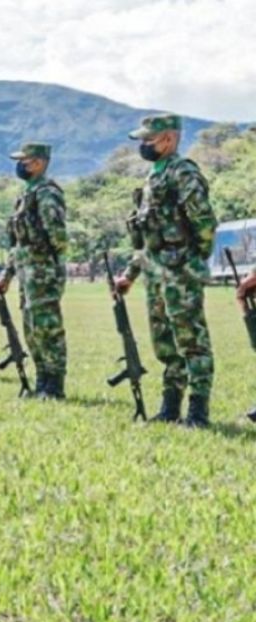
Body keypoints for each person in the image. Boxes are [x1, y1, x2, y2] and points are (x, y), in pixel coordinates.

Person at [113, 114, 218, 428]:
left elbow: (204, 222)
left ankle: (198, 412)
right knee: (165, 343)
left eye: (149, 139)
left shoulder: (183, 172)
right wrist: (130, 274)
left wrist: (192, 259)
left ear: (169, 139)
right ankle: (170, 407)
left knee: (192, 341)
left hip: (180, 272)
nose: (143, 145)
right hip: (155, 274)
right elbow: (148, 236)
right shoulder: (153, 177)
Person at [0, 142, 69, 399]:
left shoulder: (47, 193)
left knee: (48, 328)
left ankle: (54, 384)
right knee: (32, 329)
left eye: (24, 161)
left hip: (43, 271)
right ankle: (41, 381)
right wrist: (7, 275)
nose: (19, 166)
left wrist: (48, 262)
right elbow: (17, 243)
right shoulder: (26, 195)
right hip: (27, 272)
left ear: (38, 163)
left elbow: (58, 235)